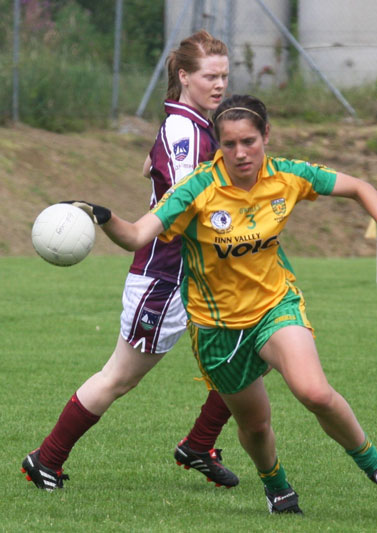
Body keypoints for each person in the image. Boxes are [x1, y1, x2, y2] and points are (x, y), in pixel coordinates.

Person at [53, 94, 377, 514]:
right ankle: (277, 486)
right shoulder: (197, 188)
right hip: (217, 330)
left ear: (266, 135)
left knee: (315, 392)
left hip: (275, 306)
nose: (240, 153)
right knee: (254, 425)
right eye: (229, 144)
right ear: (217, 144)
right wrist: (103, 218)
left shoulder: (287, 175)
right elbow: (137, 235)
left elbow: (360, 187)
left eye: (249, 141)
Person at [21, 30, 240, 492]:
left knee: (254, 351)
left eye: (225, 75)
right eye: (210, 76)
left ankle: (199, 445)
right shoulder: (185, 129)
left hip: (200, 275)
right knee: (119, 377)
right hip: (167, 277)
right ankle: (46, 459)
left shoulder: (193, 122)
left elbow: (149, 167)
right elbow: (186, 203)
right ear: (184, 76)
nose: (220, 84)